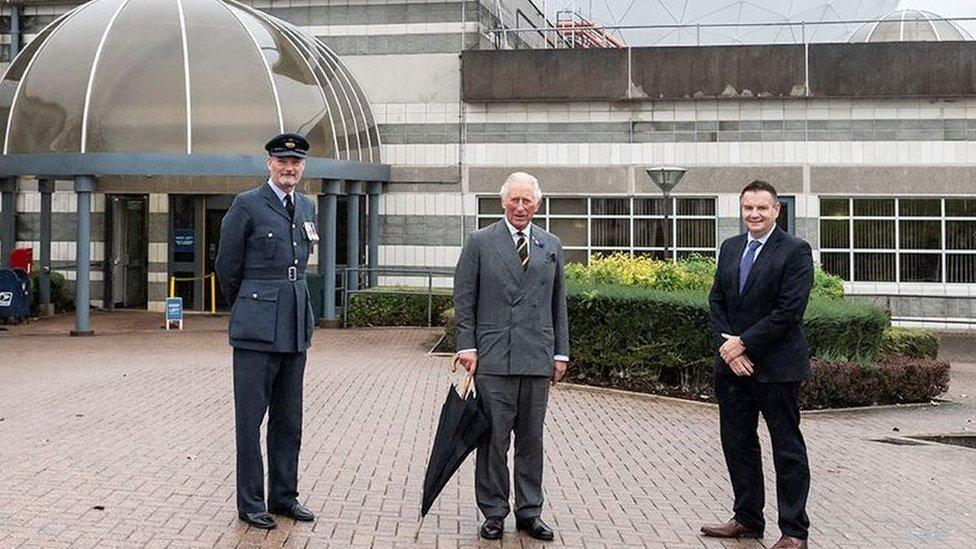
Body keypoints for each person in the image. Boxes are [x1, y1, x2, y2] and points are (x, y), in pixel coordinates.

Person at [453, 171, 570, 541]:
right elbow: (464, 298)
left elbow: (558, 303)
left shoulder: (550, 244)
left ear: (537, 204)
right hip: (493, 358)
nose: (521, 207)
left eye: (527, 201)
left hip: (536, 358)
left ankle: (529, 511)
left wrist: (561, 352)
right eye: (514, 200)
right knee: (493, 440)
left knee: (531, 440)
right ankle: (493, 511)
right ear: (502, 202)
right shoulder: (480, 242)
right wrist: (467, 345)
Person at [702, 180, 813, 549]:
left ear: (776, 210)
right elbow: (716, 302)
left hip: (777, 369)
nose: (754, 214)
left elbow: (788, 312)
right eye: (748, 208)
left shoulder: (795, 251)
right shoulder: (731, 248)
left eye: (762, 208)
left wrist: (743, 344)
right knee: (738, 444)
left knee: (787, 449)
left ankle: (794, 530)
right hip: (733, 369)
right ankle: (747, 519)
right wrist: (729, 350)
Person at [215, 133, 319, 530]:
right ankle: (251, 503)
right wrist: (250, 305)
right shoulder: (247, 205)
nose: (289, 168)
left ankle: (283, 496)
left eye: (295, 163)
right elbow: (227, 267)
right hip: (257, 327)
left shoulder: (306, 205)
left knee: (289, 419)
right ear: (269, 164)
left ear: (302, 167)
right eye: (282, 161)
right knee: (250, 419)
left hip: (294, 322)